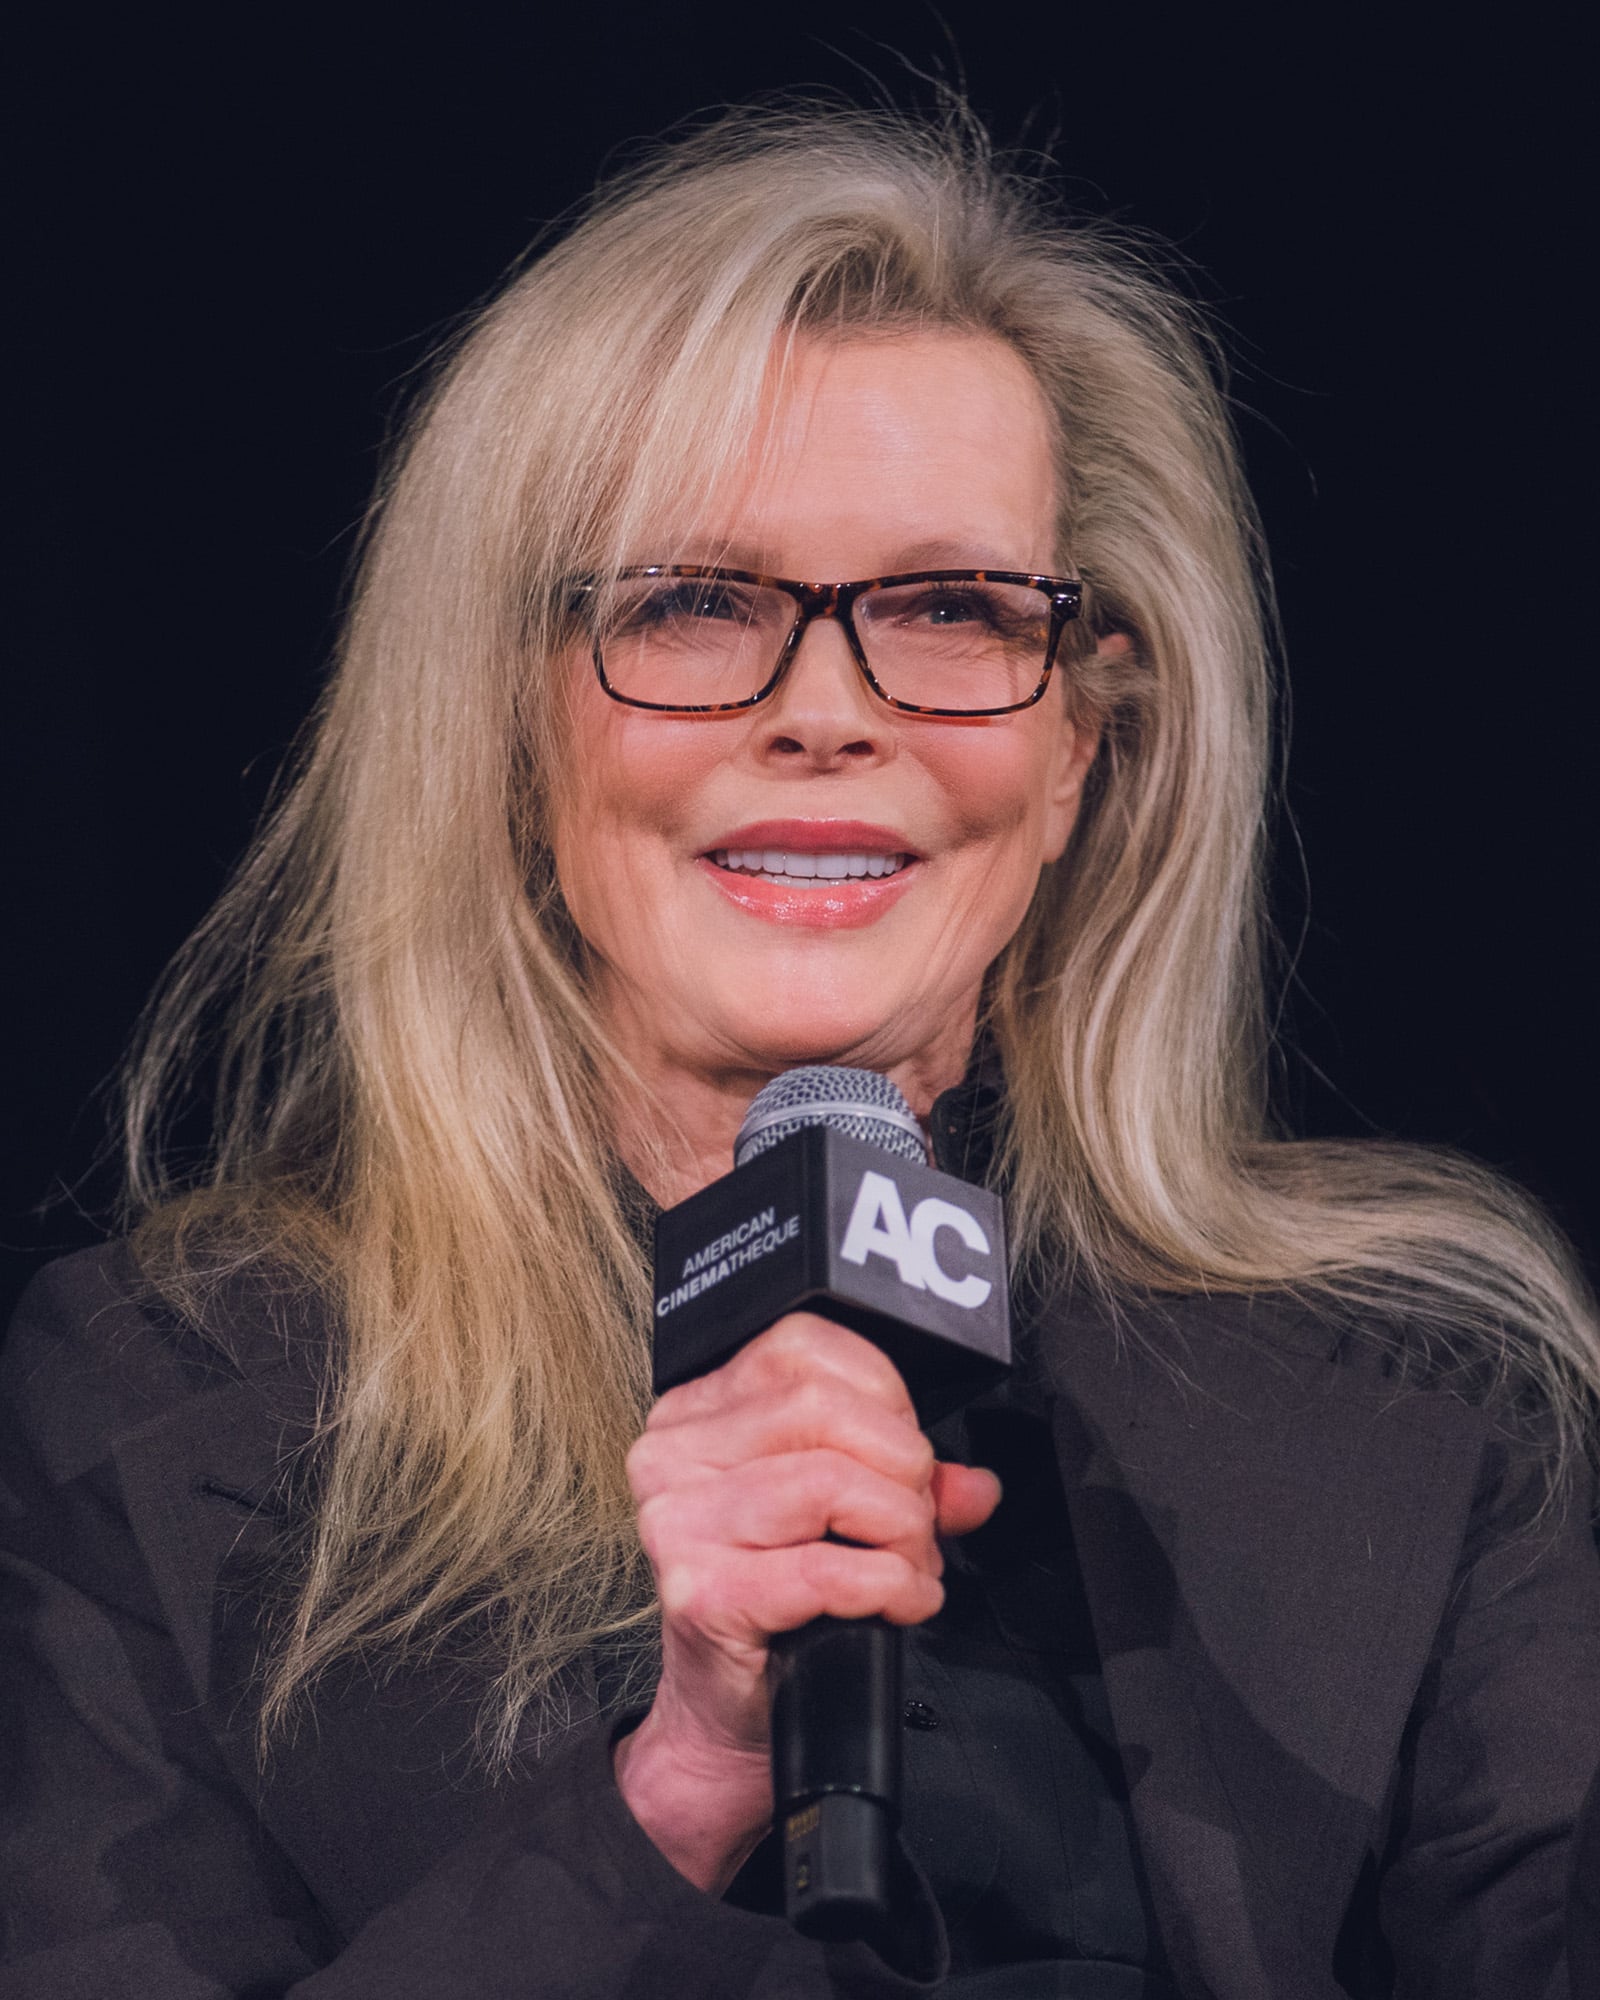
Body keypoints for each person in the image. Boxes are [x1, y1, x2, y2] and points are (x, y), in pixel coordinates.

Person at [2, 103, 1597, 1999]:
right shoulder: (167, 1399)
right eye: (694, 604)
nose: (827, 712)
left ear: (1078, 752)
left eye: (951, 607)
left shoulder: (1428, 1397)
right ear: (509, 727)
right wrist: (676, 1790)